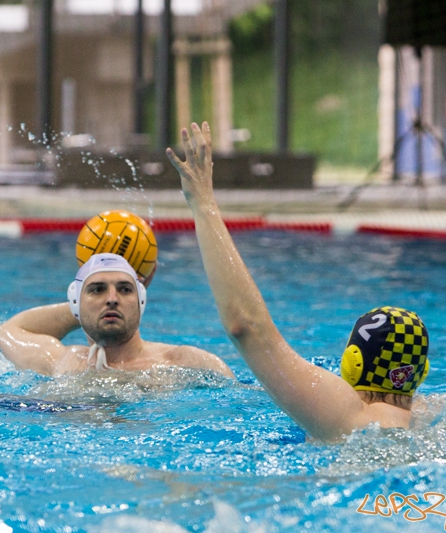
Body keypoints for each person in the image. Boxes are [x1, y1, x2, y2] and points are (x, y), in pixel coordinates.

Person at [166, 122, 430, 441]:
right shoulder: (430, 417)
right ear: (421, 373)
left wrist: (203, 201)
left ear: (353, 364)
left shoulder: (347, 415)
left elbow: (245, 326)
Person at [0, 253, 234, 378]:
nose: (112, 298)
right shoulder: (61, 363)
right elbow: (9, 331)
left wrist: (89, 305)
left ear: (141, 301)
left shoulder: (187, 363)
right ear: (75, 303)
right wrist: (81, 309)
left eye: (125, 290)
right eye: (97, 290)